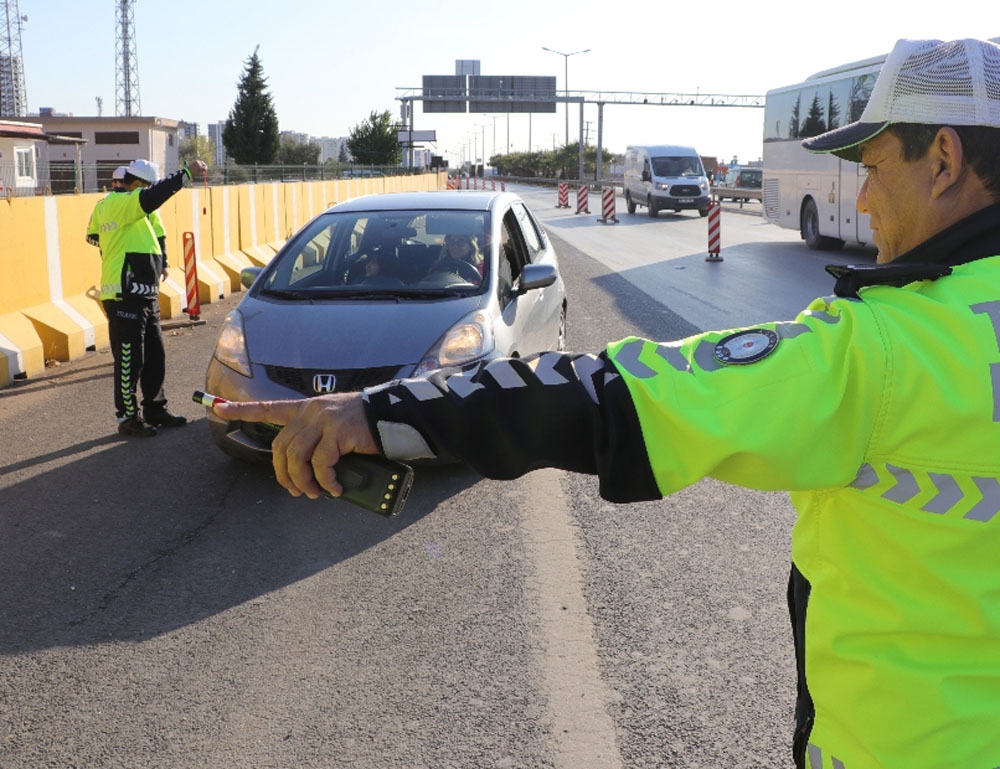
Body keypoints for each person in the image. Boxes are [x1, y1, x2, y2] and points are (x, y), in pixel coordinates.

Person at [214, 38, 1000, 768]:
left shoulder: (887, 351)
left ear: (943, 159)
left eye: (874, 166)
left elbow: (614, 398)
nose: (864, 198)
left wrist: (384, 412)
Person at [89, 157, 208, 437]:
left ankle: (155, 408)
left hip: (145, 292)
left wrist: (160, 261)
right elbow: (98, 235)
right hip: (124, 292)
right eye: (147, 187)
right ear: (139, 185)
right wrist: (187, 173)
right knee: (130, 359)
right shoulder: (118, 202)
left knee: (155, 355)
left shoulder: (135, 208)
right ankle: (128, 417)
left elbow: (156, 232)